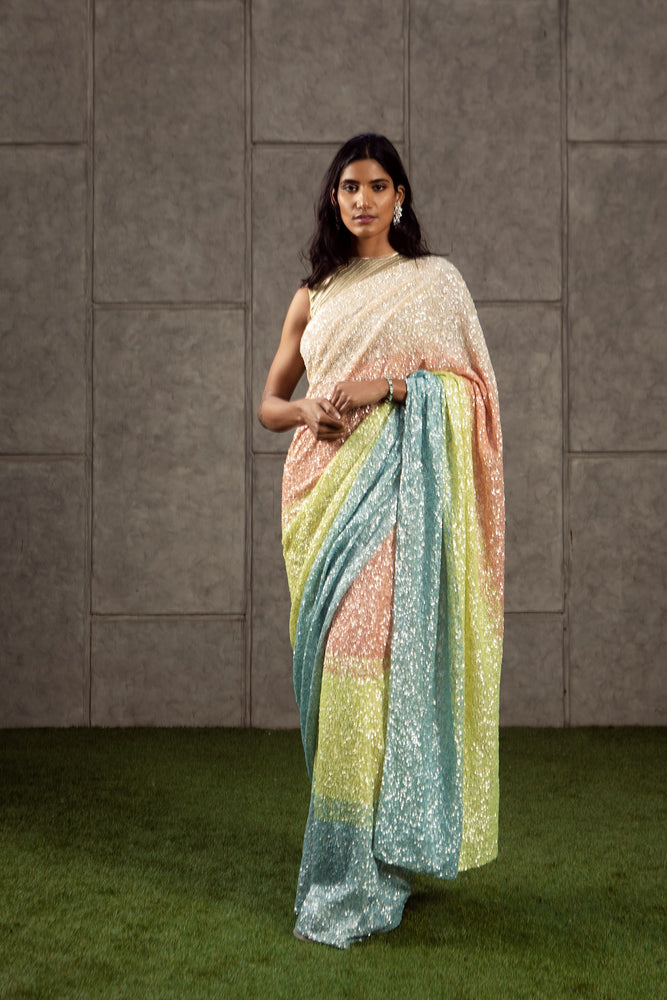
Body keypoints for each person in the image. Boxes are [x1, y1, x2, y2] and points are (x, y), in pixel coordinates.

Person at [258, 133, 504, 949]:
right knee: (333, 683)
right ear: (334, 199)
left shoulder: (433, 284)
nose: (360, 200)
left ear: (400, 197)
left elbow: (473, 394)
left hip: (397, 499)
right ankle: (359, 847)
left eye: (375, 186)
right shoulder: (313, 294)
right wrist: (305, 409)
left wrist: (389, 387)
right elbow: (268, 403)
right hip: (319, 498)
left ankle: (356, 870)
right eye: (347, 187)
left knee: (362, 668)